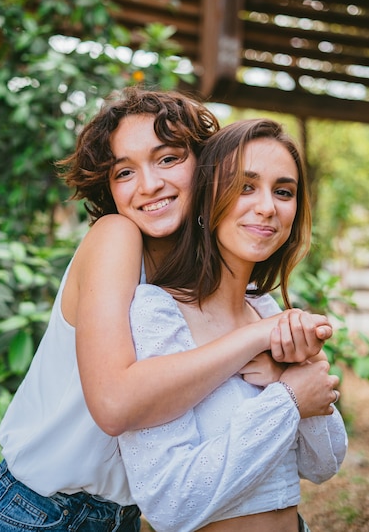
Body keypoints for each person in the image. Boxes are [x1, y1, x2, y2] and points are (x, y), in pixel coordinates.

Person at [0, 90, 333, 532]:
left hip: (120, 517)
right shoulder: (117, 237)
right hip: (34, 512)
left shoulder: (202, 281)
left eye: (168, 159)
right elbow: (115, 404)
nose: (148, 185)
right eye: (125, 171)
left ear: (207, 168)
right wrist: (259, 337)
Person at [117, 118, 348, 532]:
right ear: (208, 201)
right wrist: (288, 398)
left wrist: (294, 376)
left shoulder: (265, 307)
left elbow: (323, 464)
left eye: (283, 191)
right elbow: (170, 502)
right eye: (245, 186)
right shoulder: (159, 312)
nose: (267, 206)